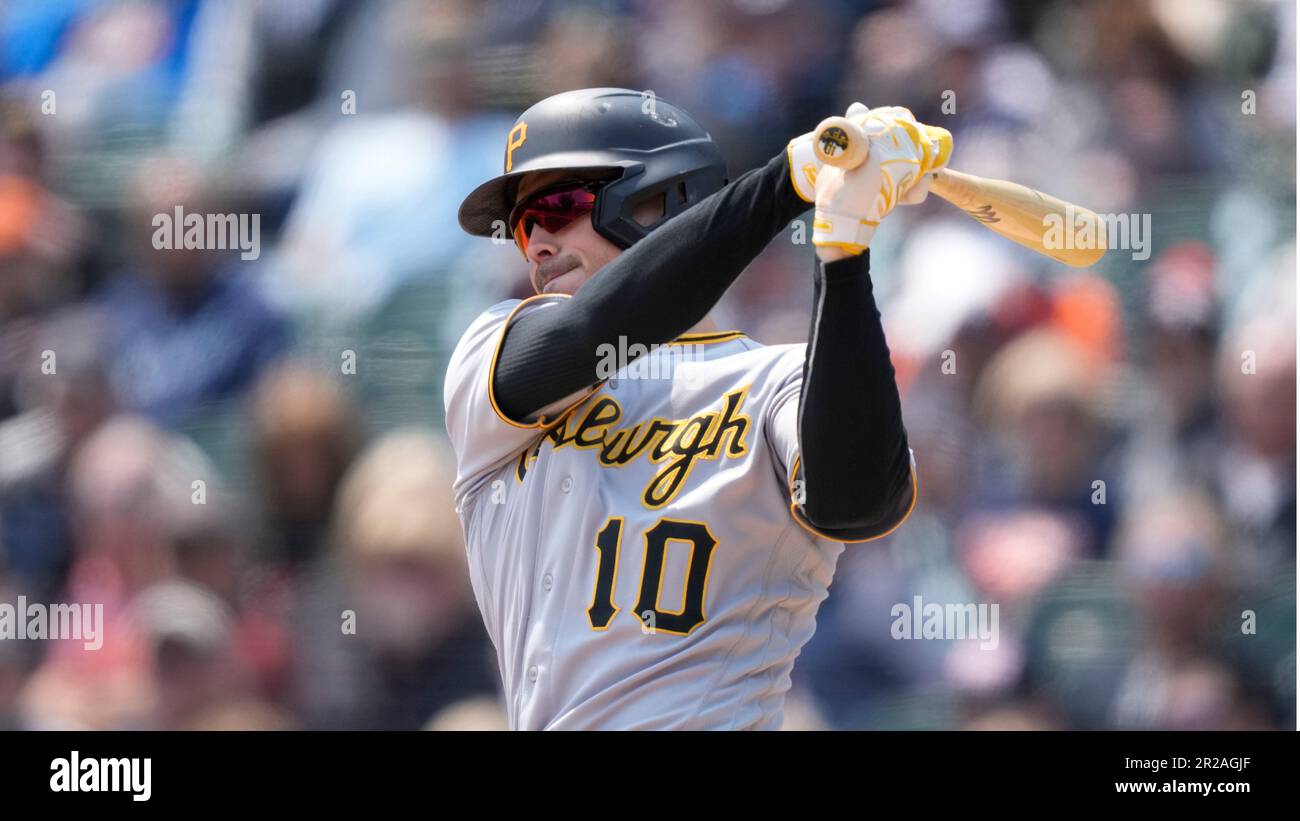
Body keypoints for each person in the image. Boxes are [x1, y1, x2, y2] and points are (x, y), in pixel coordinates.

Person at [444, 88, 950, 729]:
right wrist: (786, 182)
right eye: (522, 225)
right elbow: (591, 334)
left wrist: (843, 251)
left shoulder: (777, 380)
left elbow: (858, 503)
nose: (538, 241)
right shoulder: (493, 354)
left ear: (666, 198)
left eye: (561, 204)